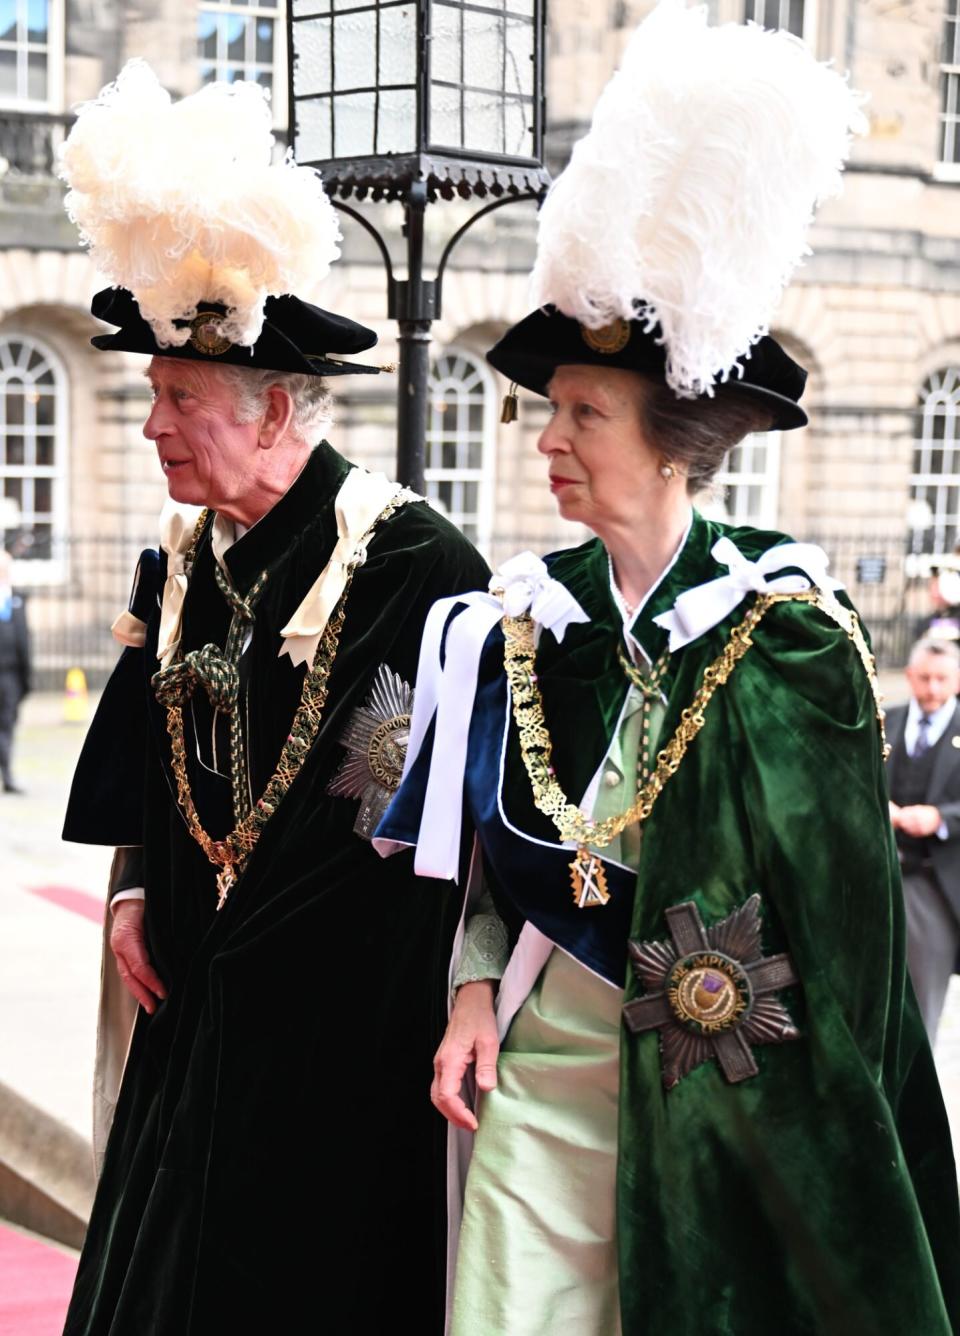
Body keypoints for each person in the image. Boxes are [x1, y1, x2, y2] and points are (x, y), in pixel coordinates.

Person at [375, 5, 960, 1333]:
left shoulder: (788, 635)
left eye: (582, 415)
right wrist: (472, 995)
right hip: (541, 1082)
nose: (548, 444)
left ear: (675, 444)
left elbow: (847, 960)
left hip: (715, 1107)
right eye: (550, 413)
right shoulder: (523, 623)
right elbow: (485, 865)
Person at [57, 64, 488, 1334]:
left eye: (177, 401)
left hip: (328, 1036)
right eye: (154, 397)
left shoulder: (409, 562)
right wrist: (136, 883)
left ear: (279, 409)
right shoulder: (187, 556)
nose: (153, 428)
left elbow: (378, 796)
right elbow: (149, 742)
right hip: (193, 1007)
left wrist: (239, 963)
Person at [887, 637, 960, 1041]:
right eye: (925, 678)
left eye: (942, 679)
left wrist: (940, 817)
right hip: (878, 877)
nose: (932, 688)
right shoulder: (883, 721)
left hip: (934, 885)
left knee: (921, 1003)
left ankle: (914, 1095)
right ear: (911, 677)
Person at [0, 549, 30, 794]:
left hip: (10, 676)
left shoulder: (18, 600)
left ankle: (7, 775)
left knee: (7, 725)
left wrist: (26, 680)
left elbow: (25, 642)